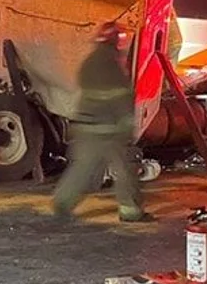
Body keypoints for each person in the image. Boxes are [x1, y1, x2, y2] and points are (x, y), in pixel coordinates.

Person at [51, 22, 151, 223]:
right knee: (125, 169)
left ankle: (62, 203)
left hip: (86, 126)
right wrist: (128, 125)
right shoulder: (110, 64)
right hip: (109, 129)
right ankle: (131, 211)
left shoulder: (90, 62)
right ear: (115, 40)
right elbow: (120, 97)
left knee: (82, 170)